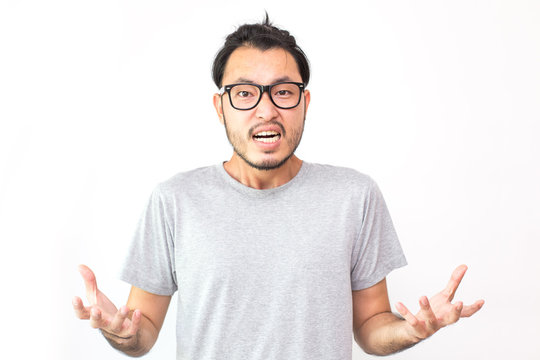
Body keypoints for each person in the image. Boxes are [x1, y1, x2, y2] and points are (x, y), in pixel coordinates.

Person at [72, 14, 484, 359]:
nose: (266, 110)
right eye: (245, 93)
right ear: (221, 107)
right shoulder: (175, 201)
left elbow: (370, 325)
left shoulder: (353, 196)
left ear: (304, 103)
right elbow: (140, 334)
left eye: (283, 92)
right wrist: (118, 330)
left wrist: (412, 331)